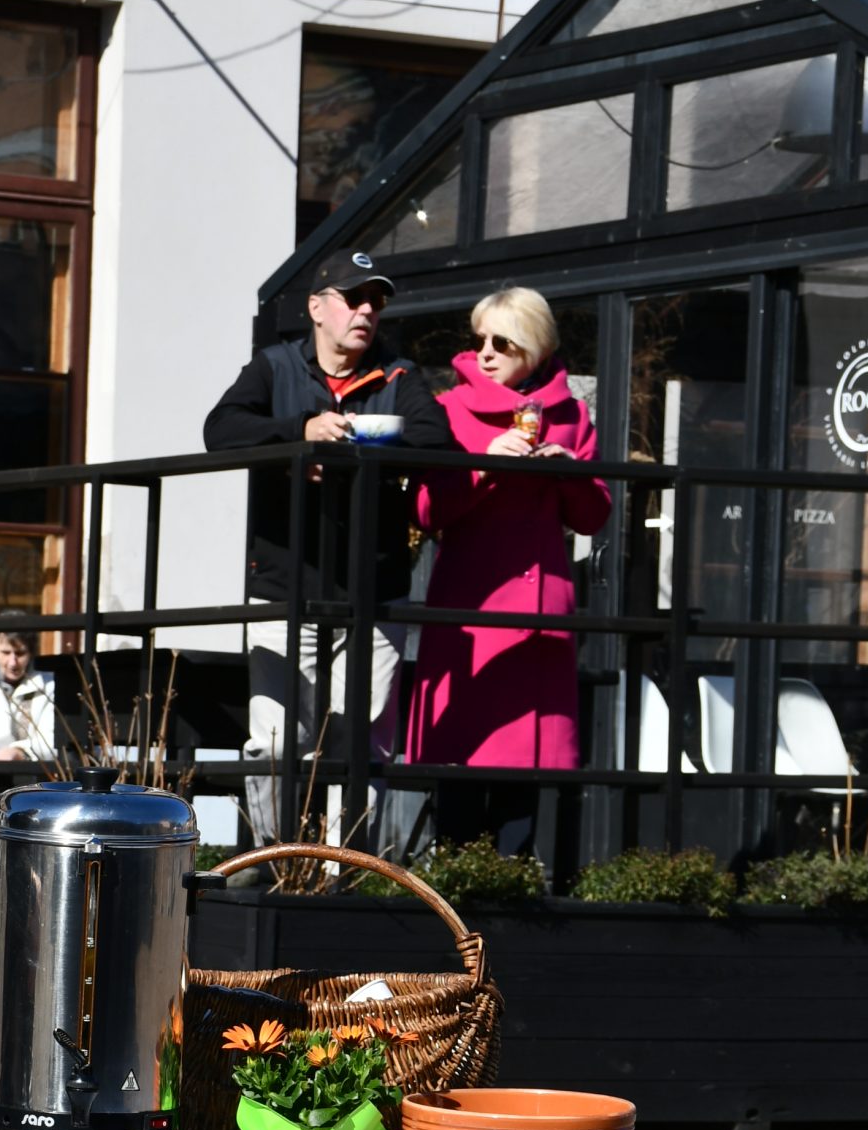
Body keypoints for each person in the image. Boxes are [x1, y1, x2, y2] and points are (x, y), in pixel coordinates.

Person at [203, 248, 455, 843]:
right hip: (284, 586)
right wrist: (300, 435)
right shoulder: (273, 367)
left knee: (361, 742)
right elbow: (221, 430)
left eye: (377, 301)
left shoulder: (398, 375)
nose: (367, 311)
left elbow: (437, 442)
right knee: (274, 741)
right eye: (354, 298)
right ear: (317, 308)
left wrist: (359, 448)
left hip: (374, 591)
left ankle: (346, 868)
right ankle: (275, 860)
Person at [403, 285, 612, 851]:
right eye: (481, 341)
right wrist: (482, 465)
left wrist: (569, 472)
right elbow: (425, 509)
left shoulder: (571, 414)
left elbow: (594, 517)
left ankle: (513, 887)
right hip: (472, 603)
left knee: (525, 768)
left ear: (535, 347)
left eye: (503, 342)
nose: (486, 353)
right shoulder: (450, 408)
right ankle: (455, 884)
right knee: (461, 759)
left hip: (540, 608)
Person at [0, 617, 56, 764]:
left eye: (20, 653)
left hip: (33, 774)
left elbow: (52, 741)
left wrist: (21, 752)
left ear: (31, 653)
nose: (13, 663)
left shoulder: (49, 686)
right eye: (5, 653)